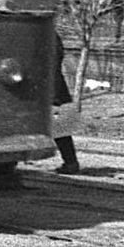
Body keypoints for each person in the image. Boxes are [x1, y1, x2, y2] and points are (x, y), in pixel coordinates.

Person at [47, 41, 84, 174]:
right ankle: (71, 162)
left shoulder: (47, 37)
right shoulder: (52, 36)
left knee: (59, 127)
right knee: (61, 129)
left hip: (50, 89)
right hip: (56, 88)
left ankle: (71, 163)